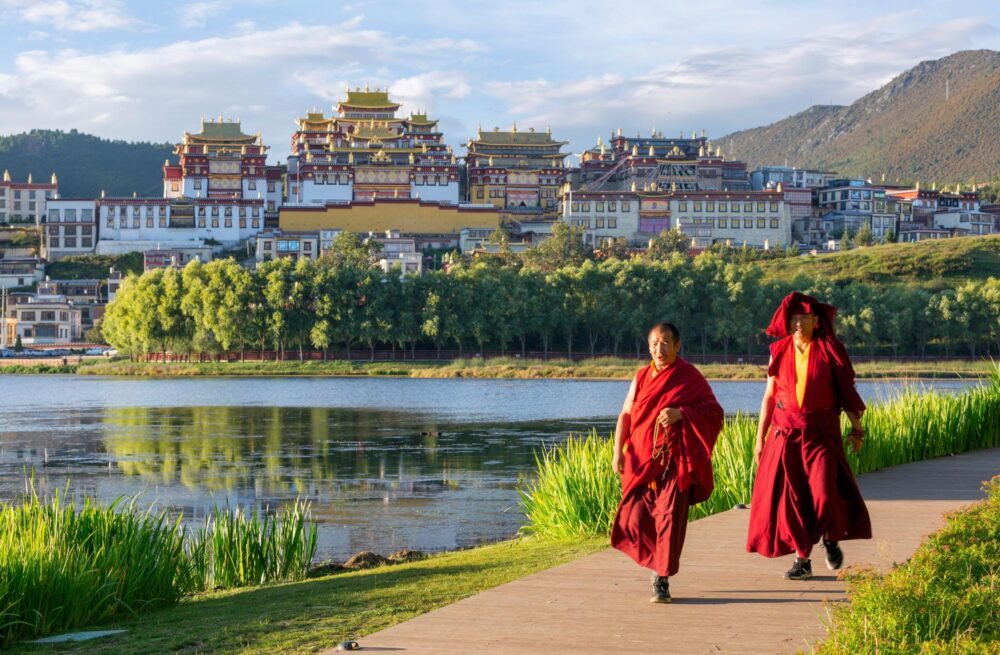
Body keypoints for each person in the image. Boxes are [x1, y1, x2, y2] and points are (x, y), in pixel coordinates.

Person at [746, 292, 871, 580]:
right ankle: (802, 560)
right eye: (794, 319)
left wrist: (857, 429)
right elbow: (769, 396)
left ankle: (830, 537)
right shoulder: (779, 350)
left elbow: (846, 392)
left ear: (816, 322)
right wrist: (759, 438)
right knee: (793, 499)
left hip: (821, 433)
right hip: (785, 433)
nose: (798, 324)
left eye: (804, 318)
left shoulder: (829, 349)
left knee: (824, 493)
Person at [611, 322, 724, 603]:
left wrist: (681, 413)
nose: (659, 349)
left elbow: (714, 412)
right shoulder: (641, 377)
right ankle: (656, 560)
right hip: (641, 458)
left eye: (665, 343)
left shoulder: (689, 377)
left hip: (675, 458)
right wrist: (617, 451)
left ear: (677, 346)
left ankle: (661, 578)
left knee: (670, 516)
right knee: (633, 518)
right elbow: (626, 415)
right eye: (654, 344)